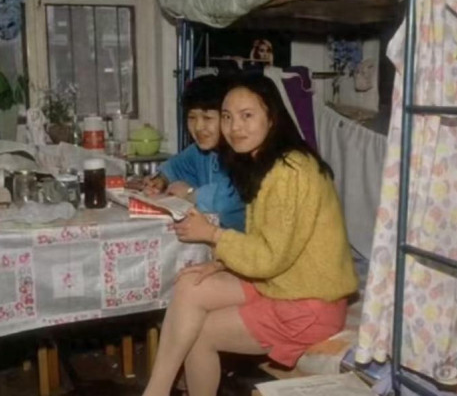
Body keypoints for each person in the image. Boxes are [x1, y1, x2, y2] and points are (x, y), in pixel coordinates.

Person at [142, 75, 358, 396]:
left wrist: (213, 234)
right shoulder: (266, 163)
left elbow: (269, 258)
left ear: (272, 118)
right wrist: (220, 264)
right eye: (227, 117)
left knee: (200, 334)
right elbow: (270, 242)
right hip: (283, 283)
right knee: (191, 284)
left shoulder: (289, 172)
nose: (234, 127)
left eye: (247, 115)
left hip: (307, 302)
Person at [143, 75, 245, 232]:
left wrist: (191, 194)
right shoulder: (200, 151)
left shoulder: (243, 151)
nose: (198, 127)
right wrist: (161, 179)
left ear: (227, 118)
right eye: (192, 118)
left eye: (207, 118)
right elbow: (176, 167)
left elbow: (232, 201)